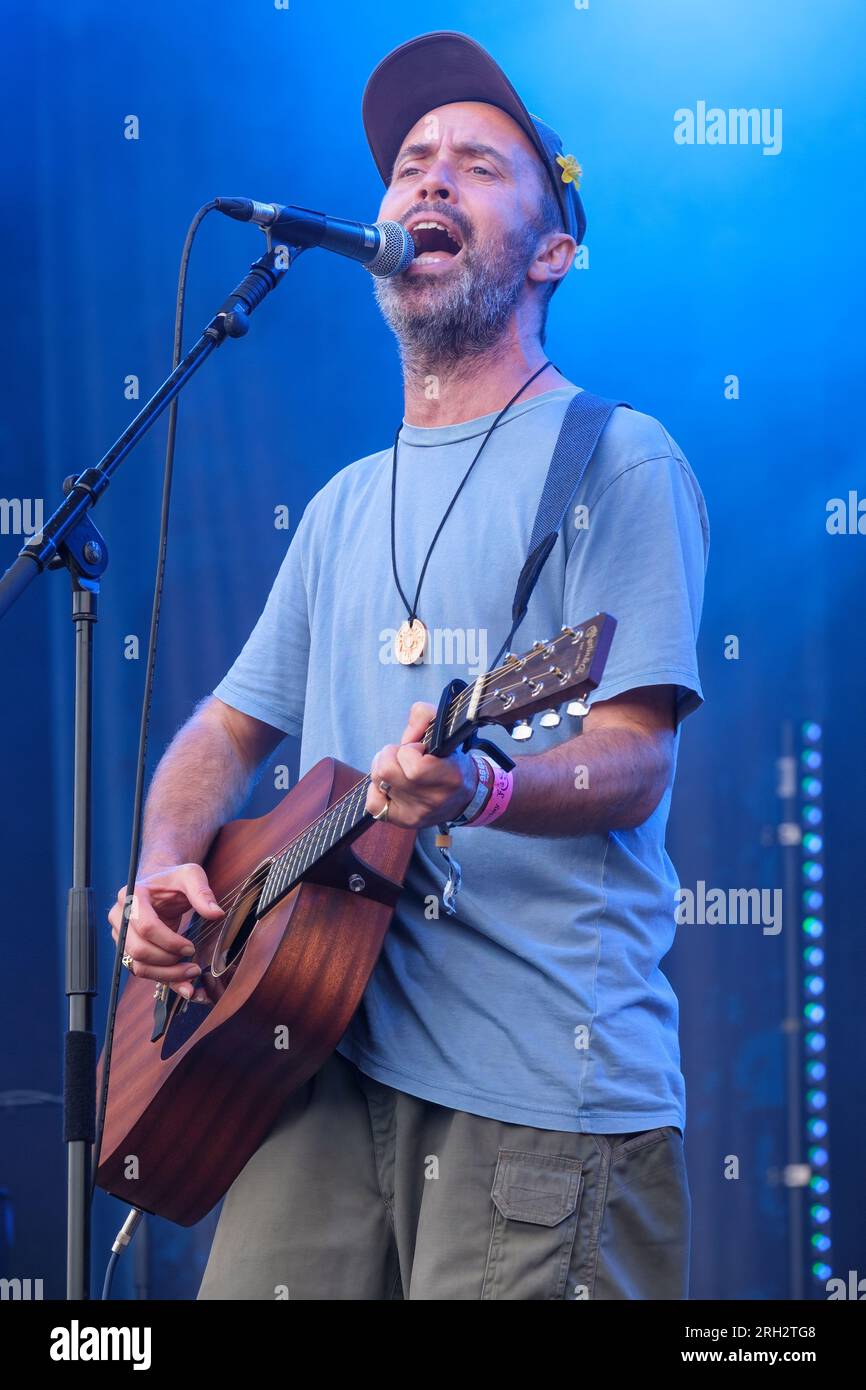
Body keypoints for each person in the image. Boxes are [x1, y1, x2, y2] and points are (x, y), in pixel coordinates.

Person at [109, 31, 709, 1300]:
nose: (428, 183)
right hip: (299, 1063)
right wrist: (167, 872)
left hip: (533, 1087)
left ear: (552, 250)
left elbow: (633, 751)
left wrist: (484, 790)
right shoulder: (340, 504)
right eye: (410, 165)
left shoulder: (616, 458)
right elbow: (219, 736)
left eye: (477, 166)